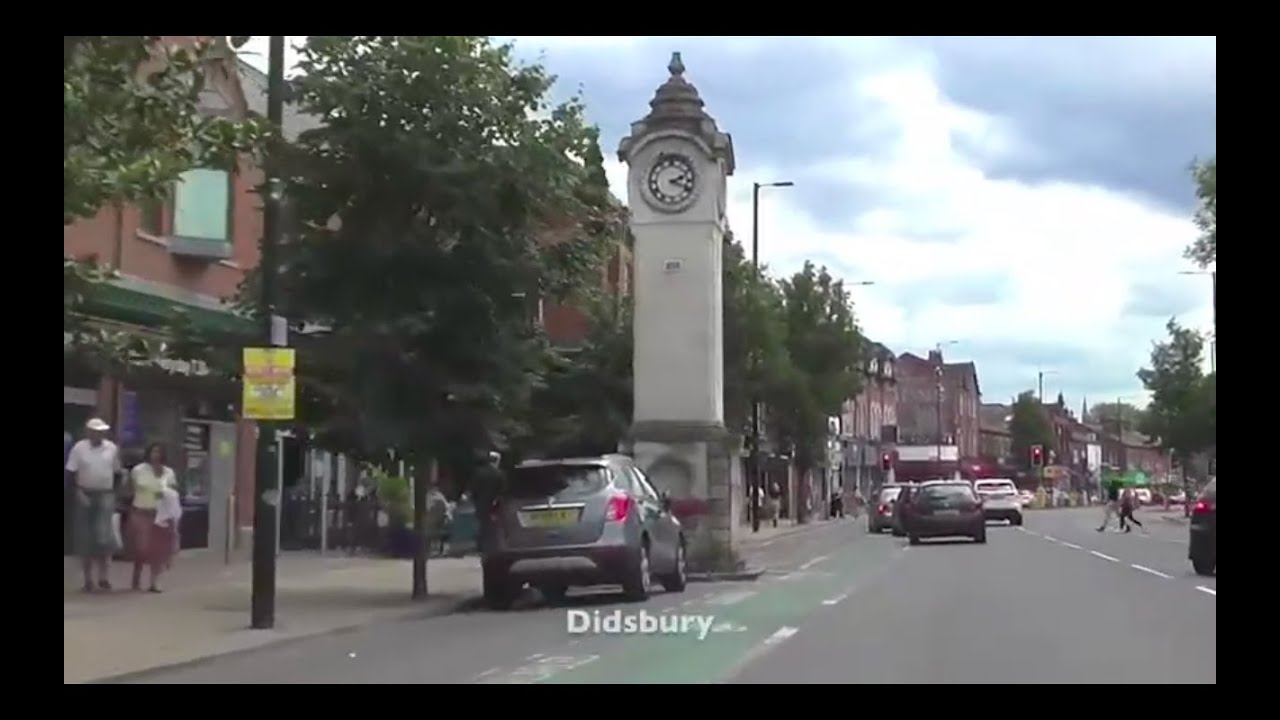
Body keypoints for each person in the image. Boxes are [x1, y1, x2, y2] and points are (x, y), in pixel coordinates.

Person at [66, 418, 123, 592]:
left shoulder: (112, 448)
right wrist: (77, 491)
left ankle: (104, 577)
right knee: (85, 537)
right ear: (88, 432)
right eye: (94, 431)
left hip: (105, 494)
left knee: (103, 536)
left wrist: (115, 494)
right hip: (84, 493)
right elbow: (71, 472)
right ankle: (88, 579)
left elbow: (118, 473)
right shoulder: (79, 448)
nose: (98, 434)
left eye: (101, 431)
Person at [127, 443, 177, 592]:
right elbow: (131, 488)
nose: (156, 455)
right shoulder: (139, 470)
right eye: (153, 451)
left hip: (160, 514)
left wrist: (166, 495)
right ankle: (136, 576)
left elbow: (173, 492)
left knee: (158, 550)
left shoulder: (169, 473)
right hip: (141, 511)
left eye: (159, 452)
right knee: (141, 548)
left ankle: (155, 582)